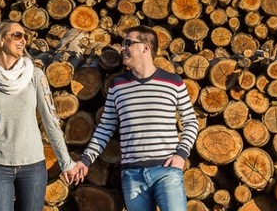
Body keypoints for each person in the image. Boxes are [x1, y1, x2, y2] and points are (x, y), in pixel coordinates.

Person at [65, 25, 199, 211]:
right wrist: (85, 159)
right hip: (132, 175)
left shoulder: (173, 82)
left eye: (128, 43)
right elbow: (105, 127)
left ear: (145, 47)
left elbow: (191, 121)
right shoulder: (117, 86)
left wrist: (181, 154)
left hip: (166, 171)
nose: (122, 48)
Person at [0, 21, 78, 211]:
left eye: (25, 36)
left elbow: (51, 122)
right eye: (17, 35)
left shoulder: (35, 75)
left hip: (33, 168)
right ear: (1, 40)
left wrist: (66, 162)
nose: (23, 40)